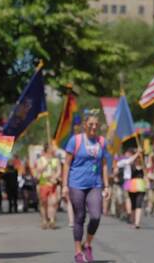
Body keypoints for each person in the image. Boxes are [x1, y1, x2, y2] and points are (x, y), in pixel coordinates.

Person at [62, 111, 110, 263]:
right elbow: (67, 164)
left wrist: (107, 185)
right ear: (85, 125)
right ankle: (77, 252)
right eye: (91, 124)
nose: (94, 127)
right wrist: (64, 185)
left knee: (96, 216)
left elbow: (103, 165)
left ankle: (87, 244)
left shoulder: (102, 141)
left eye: (96, 124)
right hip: (76, 184)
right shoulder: (75, 141)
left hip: (95, 184)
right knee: (80, 217)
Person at [34, 144, 61, 229]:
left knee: (53, 202)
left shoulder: (56, 160)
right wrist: (45, 165)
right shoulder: (40, 160)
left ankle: (52, 220)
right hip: (43, 183)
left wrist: (55, 177)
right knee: (43, 203)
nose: (53, 150)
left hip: (53, 183)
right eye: (51, 149)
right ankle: (44, 220)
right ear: (47, 150)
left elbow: (59, 171)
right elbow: (38, 171)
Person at [124, 150, 146, 229]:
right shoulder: (131, 164)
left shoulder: (144, 165)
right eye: (137, 157)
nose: (138, 159)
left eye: (139, 157)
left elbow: (147, 174)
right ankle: (133, 221)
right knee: (133, 204)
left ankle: (137, 223)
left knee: (138, 204)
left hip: (141, 186)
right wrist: (136, 154)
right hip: (132, 185)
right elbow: (128, 161)